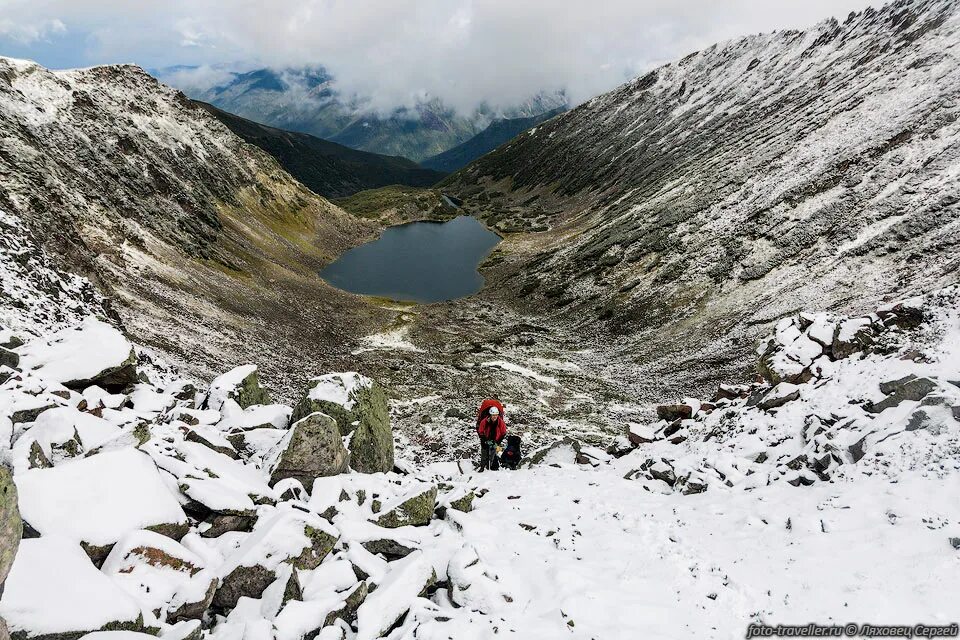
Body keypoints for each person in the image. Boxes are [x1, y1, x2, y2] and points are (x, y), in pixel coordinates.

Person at [476, 398, 507, 471]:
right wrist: (484, 440)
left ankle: (490, 467)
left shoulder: (500, 422)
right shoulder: (484, 421)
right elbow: (480, 431)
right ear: (490, 415)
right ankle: (482, 467)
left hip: (495, 440)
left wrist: (498, 442)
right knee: (484, 453)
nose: (495, 417)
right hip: (485, 439)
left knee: (492, 454)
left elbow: (503, 432)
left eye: (496, 415)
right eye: (493, 415)